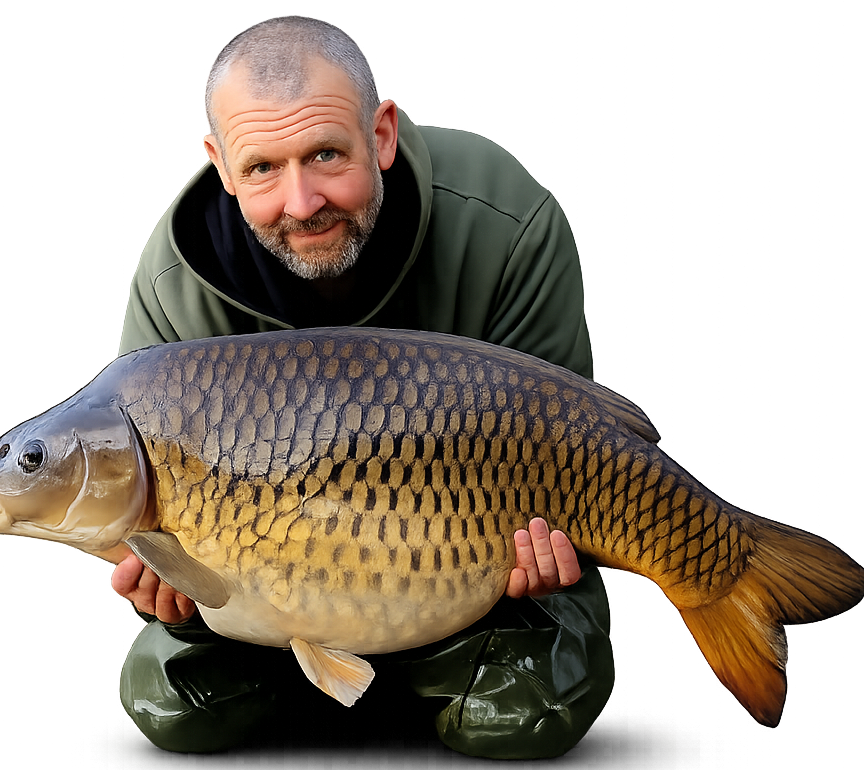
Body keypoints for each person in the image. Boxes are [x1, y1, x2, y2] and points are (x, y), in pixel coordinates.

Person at [110, 16, 613, 759]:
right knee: (172, 707)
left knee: (525, 719)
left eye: (324, 154)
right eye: (261, 170)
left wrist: (549, 555)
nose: (302, 200)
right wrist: (169, 589)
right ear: (220, 166)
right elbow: (157, 526)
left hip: (474, 575)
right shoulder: (173, 284)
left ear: (380, 134)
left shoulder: (506, 223)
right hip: (262, 589)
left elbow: (574, 450)